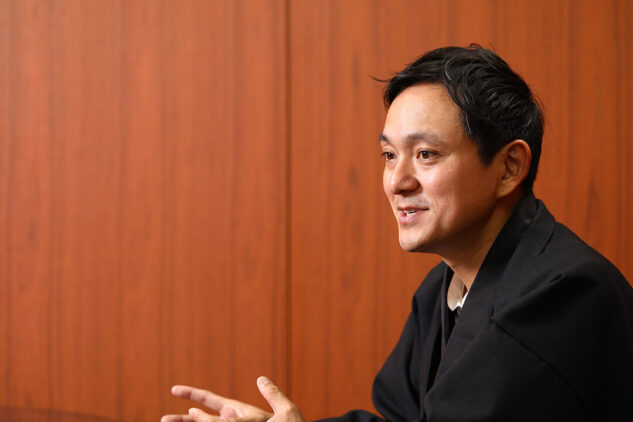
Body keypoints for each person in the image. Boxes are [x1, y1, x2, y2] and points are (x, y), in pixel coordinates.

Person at [161, 45, 633, 421]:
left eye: (425, 154)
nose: (397, 182)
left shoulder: (565, 294)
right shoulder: (443, 288)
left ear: (510, 167)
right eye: (389, 156)